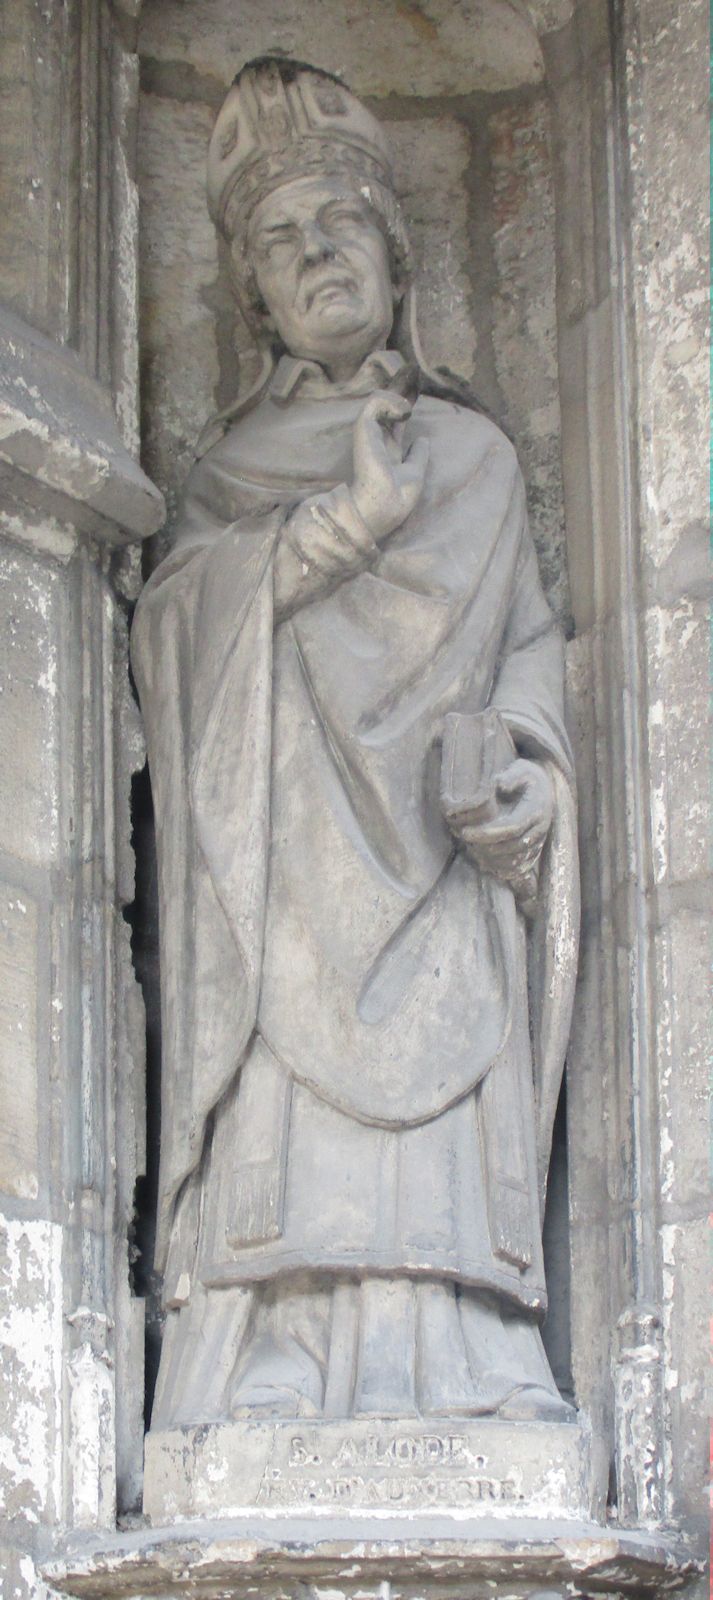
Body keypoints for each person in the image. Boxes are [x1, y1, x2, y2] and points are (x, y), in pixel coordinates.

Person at [131, 56, 579, 1428]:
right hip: (280, 865)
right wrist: (340, 528)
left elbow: (526, 657)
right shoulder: (229, 476)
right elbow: (173, 646)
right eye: (277, 239)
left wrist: (521, 773)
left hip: (435, 878)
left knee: (442, 1084)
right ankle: (273, 1358)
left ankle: (466, 1361)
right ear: (250, 292)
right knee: (286, 1089)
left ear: (392, 250)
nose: (314, 252)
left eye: (336, 220)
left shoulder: (478, 457)